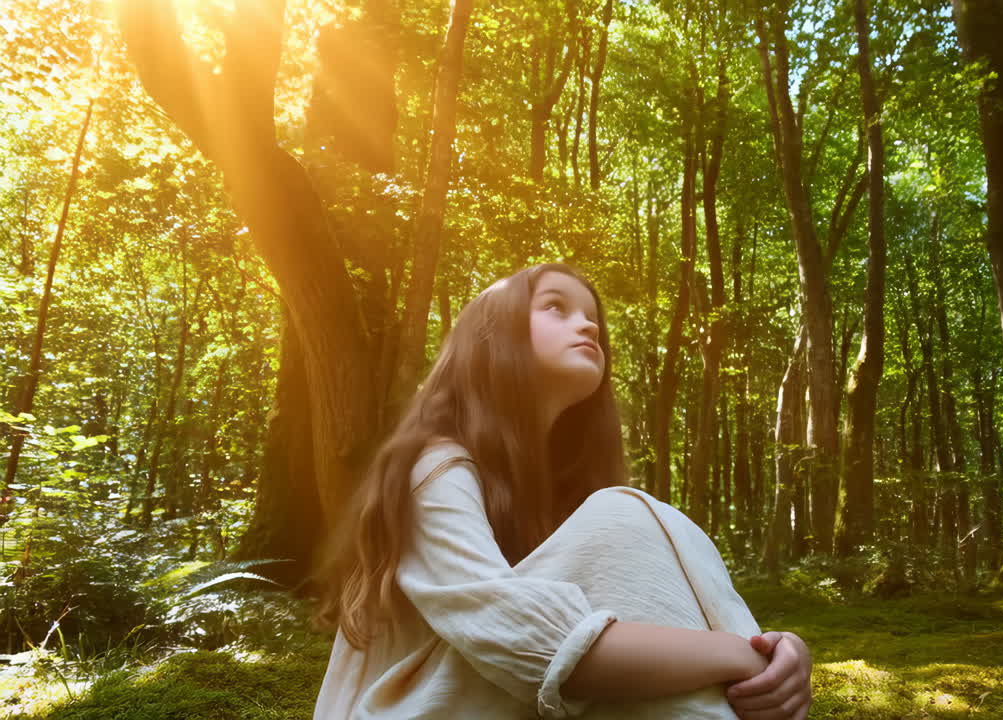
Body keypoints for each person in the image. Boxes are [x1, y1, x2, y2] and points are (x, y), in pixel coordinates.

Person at [313, 263, 812, 719]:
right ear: (492, 336)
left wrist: (781, 650)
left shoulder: (563, 502)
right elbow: (518, 638)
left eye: (592, 316)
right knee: (626, 513)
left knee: (630, 515)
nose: (591, 326)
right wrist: (743, 655)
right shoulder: (435, 466)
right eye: (556, 306)